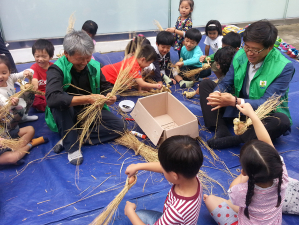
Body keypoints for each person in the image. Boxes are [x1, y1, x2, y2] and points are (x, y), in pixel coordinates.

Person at [199, 20, 294, 149]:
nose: (249, 53)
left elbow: (267, 102)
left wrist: (235, 101)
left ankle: (236, 139)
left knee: (281, 121)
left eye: (255, 50)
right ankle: (220, 128)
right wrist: (217, 94)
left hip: (260, 113)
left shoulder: (283, 67)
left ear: (270, 47)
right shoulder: (240, 54)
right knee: (206, 86)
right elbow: (227, 81)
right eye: (247, 47)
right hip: (239, 106)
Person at [45, 30, 125, 165]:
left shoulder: (93, 66)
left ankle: (71, 138)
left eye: (87, 57)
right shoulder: (56, 69)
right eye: (79, 59)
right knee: (61, 105)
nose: (84, 62)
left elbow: (106, 86)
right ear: (66, 54)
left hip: (89, 110)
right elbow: (52, 98)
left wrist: (111, 96)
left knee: (120, 126)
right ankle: (72, 147)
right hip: (67, 114)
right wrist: (87, 98)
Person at [204, 103, 288, 225]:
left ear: (244, 171)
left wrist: (245, 175)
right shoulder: (282, 176)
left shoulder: (242, 191)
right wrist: (253, 116)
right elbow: (267, 142)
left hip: (246, 219)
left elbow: (232, 187)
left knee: (210, 199)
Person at [124, 135, 203, 225]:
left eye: (164, 169)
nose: (162, 169)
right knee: (139, 215)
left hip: (172, 217)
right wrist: (138, 166)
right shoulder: (191, 174)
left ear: (174, 176)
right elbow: (167, 168)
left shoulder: (177, 211)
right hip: (174, 218)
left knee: (136, 215)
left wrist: (130, 211)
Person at [0, 55, 38, 134]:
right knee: (19, 108)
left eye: (4, 73)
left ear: (9, 72)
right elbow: (4, 103)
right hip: (4, 112)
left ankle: (23, 117)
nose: (0, 76)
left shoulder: (10, 78)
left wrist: (28, 72)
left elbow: (25, 73)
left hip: (14, 104)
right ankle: (12, 126)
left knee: (29, 91)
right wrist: (14, 104)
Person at [30, 39, 54, 112]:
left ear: (51, 57)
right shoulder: (34, 68)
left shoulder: (54, 67)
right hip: (39, 95)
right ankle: (49, 106)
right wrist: (34, 86)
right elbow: (34, 79)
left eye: (44, 56)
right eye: (37, 56)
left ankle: (47, 106)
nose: (40, 59)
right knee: (32, 100)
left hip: (51, 93)